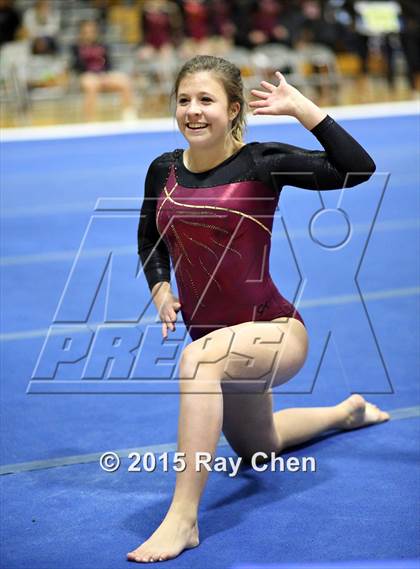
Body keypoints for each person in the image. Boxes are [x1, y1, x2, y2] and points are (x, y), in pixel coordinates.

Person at [130, 55, 390, 563]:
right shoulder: (162, 169)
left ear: (233, 109)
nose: (193, 111)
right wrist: (160, 289)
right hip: (225, 351)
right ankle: (347, 411)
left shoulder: (261, 162)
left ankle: (182, 519)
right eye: (184, 100)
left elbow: (358, 167)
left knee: (199, 361)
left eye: (206, 100)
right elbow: (149, 238)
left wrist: (302, 109)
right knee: (260, 448)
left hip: (273, 331)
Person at [71, 20, 137, 122]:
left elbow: (108, 63)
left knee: (125, 81)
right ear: (82, 32)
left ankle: (129, 116)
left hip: (103, 75)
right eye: (86, 31)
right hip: (87, 75)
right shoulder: (76, 47)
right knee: (91, 85)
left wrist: (105, 74)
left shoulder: (102, 45)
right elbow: (76, 66)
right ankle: (90, 120)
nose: (89, 34)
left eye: (91, 31)